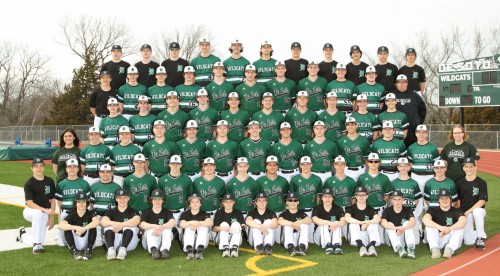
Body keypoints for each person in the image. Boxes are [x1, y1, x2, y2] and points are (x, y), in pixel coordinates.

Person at [17, 158, 56, 254]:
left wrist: (51, 218)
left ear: (44, 167)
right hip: (30, 211)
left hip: (44, 212)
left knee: (38, 239)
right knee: (38, 213)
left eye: (41, 166)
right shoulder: (29, 183)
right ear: (32, 168)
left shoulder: (49, 181)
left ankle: (23, 235)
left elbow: (52, 199)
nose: (39, 168)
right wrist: (45, 211)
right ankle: (37, 245)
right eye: (36, 166)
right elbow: (29, 203)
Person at [407, 124, 440, 237]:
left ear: (427, 134)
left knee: (430, 203)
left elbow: (437, 165)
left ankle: (430, 229)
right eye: (419, 132)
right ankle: (418, 229)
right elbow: (410, 164)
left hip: (429, 177)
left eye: (423, 132)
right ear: (416, 133)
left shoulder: (432, 148)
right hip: (416, 177)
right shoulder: (411, 148)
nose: (421, 134)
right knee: (416, 204)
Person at [55, 159, 91, 247]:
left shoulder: (84, 183)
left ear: (78, 169)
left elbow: (88, 201)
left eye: (74, 167)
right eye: (69, 167)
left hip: (80, 213)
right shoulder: (61, 184)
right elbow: (60, 202)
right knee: (62, 242)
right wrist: (61, 214)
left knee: (81, 237)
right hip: (66, 212)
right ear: (66, 169)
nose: (72, 169)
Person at [423, 188, 466, 259]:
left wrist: (449, 229)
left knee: (460, 228)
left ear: (450, 200)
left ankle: (449, 249)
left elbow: (463, 221)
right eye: (442, 198)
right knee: (429, 226)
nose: (444, 200)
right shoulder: (433, 209)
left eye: (446, 198)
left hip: (450, 239)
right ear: (438, 200)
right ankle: (434, 249)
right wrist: (441, 228)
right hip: (438, 238)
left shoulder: (456, 210)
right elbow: (425, 219)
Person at [157, 155, 193, 236]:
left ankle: (178, 233)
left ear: (181, 165)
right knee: (163, 235)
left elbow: (190, 197)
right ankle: (173, 232)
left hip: (181, 212)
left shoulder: (187, 179)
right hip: (166, 212)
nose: (175, 166)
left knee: (185, 238)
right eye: (173, 164)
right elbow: (158, 198)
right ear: (169, 164)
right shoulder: (162, 180)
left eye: (177, 164)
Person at [456, 157, 488, 250]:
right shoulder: (459, 182)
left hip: (479, 212)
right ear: (463, 168)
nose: (469, 169)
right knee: (468, 241)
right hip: (466, 214)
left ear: (475, 167)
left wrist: (468, 212)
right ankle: (477, 232)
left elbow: (482, 201)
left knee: (477, 211)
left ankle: (480, 238)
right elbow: (458, 201)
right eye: (466, 166)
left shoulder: (481, 182)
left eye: (471, 166)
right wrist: (461, 214)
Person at [289, 156, 323, 243]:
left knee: (311, 239)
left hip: (312, 210)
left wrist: (317, 209)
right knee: (297, 237)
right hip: (299, 210)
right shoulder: (294, 179)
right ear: (300, 165)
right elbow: (291, 198)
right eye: (303, 164)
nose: (305, 166)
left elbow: (319, 196)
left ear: (311, 165)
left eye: (307, 164)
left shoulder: (317, 179)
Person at [101, 188, 141, 260]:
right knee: (108, 227)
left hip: (129, 244)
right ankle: (110, 250)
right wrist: (114, 223)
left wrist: (121, 225)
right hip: (113, 242)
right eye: (120, 198)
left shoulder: (133, 211)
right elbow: (103, 222)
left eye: (125, 198)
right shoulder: (111, 211)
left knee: (131, 227)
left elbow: (137, 221)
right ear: (116, 199)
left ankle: (123, 250)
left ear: (128, 198)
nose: (122, 200)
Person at [58, 191, 100, 260]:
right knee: (67, 227)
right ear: (76, 203)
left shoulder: (90, 213)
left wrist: (84, 228)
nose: (81, 204)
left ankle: (89, 250)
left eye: (83, 201)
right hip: (75, 241)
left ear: (87, 203)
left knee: (93, 226)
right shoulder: (72, 214)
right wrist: (76, 227)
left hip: (88, 241)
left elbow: (97, 221)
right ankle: (75, 251)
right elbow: (60, 225)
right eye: (79, 202)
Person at [257, 155, 289, 242]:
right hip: (265, 214)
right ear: (266, 166)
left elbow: (286, 197)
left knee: (279, 240)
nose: (272, 167)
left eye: (274, 165)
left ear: (277, 166)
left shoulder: (283, 180)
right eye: (270, 165)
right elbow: (256, 200)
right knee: (266, 238)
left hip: (279, 213)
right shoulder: (260, 181)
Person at [89, 164, 121, 247]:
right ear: (99, 173)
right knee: (97, 243)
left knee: (111, 242)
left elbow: (119, 205)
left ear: (111, 173)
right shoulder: (94, 186)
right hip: (98, 216)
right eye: (102, 172)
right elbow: (91, 204)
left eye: (108, 172)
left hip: (110, 218)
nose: (105, 174)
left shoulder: (117, 187)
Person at [139, 189, 176, 260]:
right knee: (150, 229)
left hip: (163, 239)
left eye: (159, 199)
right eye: (154, 199)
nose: (157, 201)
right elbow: (142, 225)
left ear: (163, 200)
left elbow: (173, 222)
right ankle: (154, 250)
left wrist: (162, 227)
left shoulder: (167, 212)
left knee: (167, 229)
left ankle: (165, 250)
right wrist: (155, 226)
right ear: (151, 201)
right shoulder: (146, 212)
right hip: (148, 242)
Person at [345, 186, 381, 257]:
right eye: (359, 195)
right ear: (355, 196)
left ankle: (372, 247)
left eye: (363, 195)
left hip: (368, 237)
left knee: (374, 223)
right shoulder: (351, 208)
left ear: (367, 196)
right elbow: (347, 218)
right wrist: (361, 223)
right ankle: (361, 247)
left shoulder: (370, 208)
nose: (361, 197)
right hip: (355, 239)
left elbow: (378, 219)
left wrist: (368, 222)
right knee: (353, 224)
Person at [392, 75, 427, 148]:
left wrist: (417, 122)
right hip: (395, 132)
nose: (402, 84)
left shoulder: (415, 96)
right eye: (399, 82)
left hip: (412, 133)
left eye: (404, 82)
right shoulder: (391, 95)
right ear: (396, 84)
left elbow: (422, 110)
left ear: (407, 83)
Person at [380, 190, 417, 259]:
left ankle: (410, 248)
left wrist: (403, 228)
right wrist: (396, 228)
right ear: (391, 200)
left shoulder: (407, 209)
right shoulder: (387, 210)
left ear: (403, 200)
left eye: (399, 199)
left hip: (403, 237)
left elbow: (413, 221)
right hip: (391, 239)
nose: (397, 202)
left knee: (407, 223)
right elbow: (383, 222)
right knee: (389, 224)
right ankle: (399, 248)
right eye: (395, 199)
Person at [392, 157, 422, 237]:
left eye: (405, 166)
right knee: (398, 237)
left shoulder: (414, 183)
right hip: (397, 213)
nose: (403, 168)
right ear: (398, 167)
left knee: (415, 241)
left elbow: (416, 200)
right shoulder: (394, 183)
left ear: (409, 167)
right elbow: (391, 200)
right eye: (401, 166)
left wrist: (411, 210)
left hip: (409, 212)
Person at [356, 153, 393, 217]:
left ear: (379, 163)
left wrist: (380, 201)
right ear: (367, 163)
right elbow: (358, 195)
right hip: (366, 209)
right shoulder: (361, 178)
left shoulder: (384, 177)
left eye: (376, 161)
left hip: (381, 210)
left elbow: (387, 195)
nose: (373, 163)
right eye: (371, 161)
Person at [312, 187, 346, 255]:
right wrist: (329, 222)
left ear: (333, 198)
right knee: (324, 223)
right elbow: (314, 219)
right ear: (321, 198)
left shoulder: (338, 208)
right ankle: (328, 245)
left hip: (332, 234)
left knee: (337, 222)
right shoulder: (317, 208)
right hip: (319, 237)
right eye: (325, 196)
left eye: (329, 196)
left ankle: (336, 244)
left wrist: (336, 224)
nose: (327, 199)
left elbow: (344, 221)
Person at [179, 194, 213, 260]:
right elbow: (181, 224)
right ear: (189, 204)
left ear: (200, 203)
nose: (195, 204)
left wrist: (199, 223)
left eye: (197, 201)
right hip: (187, 242)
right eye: (192, 202)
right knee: (189, 226)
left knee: (203, 226)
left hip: (202, 242)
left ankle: (199, 251)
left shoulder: (204, 213)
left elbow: (210, 222)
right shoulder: (185, 214)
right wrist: (191, 223)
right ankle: (189, 252)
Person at [336, 117, 371, 181]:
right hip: (346, 170)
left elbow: (366, 158)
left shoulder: (364, 140)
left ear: (356, 125)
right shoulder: (340, 141)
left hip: (361, 170)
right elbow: (339, 159)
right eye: (348, 125)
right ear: (345, 127)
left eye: (352, 124)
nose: (350, 127)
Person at [279, 192, 311, 256]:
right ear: (287, 202)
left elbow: (309, 220)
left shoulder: (301, 213)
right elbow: (279, 221)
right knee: (287, 225)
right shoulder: (284, 213)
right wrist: (292, 224)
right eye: (290, 200)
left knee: (304, 224)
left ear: (298, 202)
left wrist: (300, 222)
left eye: (295, 200)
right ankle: (290, 247)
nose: (293, 202)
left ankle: (302, 246)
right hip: (287, 239)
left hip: (298, 237)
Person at [213, 193, 245, 257]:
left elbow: (243, 225)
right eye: (226, 202)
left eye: (230, 202)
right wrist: (223, 228)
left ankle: (234, 248)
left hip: (235, 237)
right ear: (223, 203)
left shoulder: (238, 212)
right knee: (224, 224)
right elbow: (214, 228)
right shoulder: (219, 213)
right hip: (222, 238)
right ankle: (225, 248)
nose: (228, 204)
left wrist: (240, 227)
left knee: (236, 224)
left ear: (234, 202)